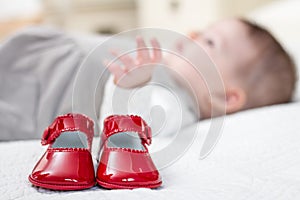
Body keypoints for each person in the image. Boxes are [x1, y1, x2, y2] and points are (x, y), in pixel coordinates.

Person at [0, 17, 296, 140]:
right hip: (48, 62)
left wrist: (133, 85)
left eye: (209, 43)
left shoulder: (180, 107)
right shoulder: (174, 71)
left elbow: (135, 129)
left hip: (46, 91)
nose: (193, 35)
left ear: (226, 96)